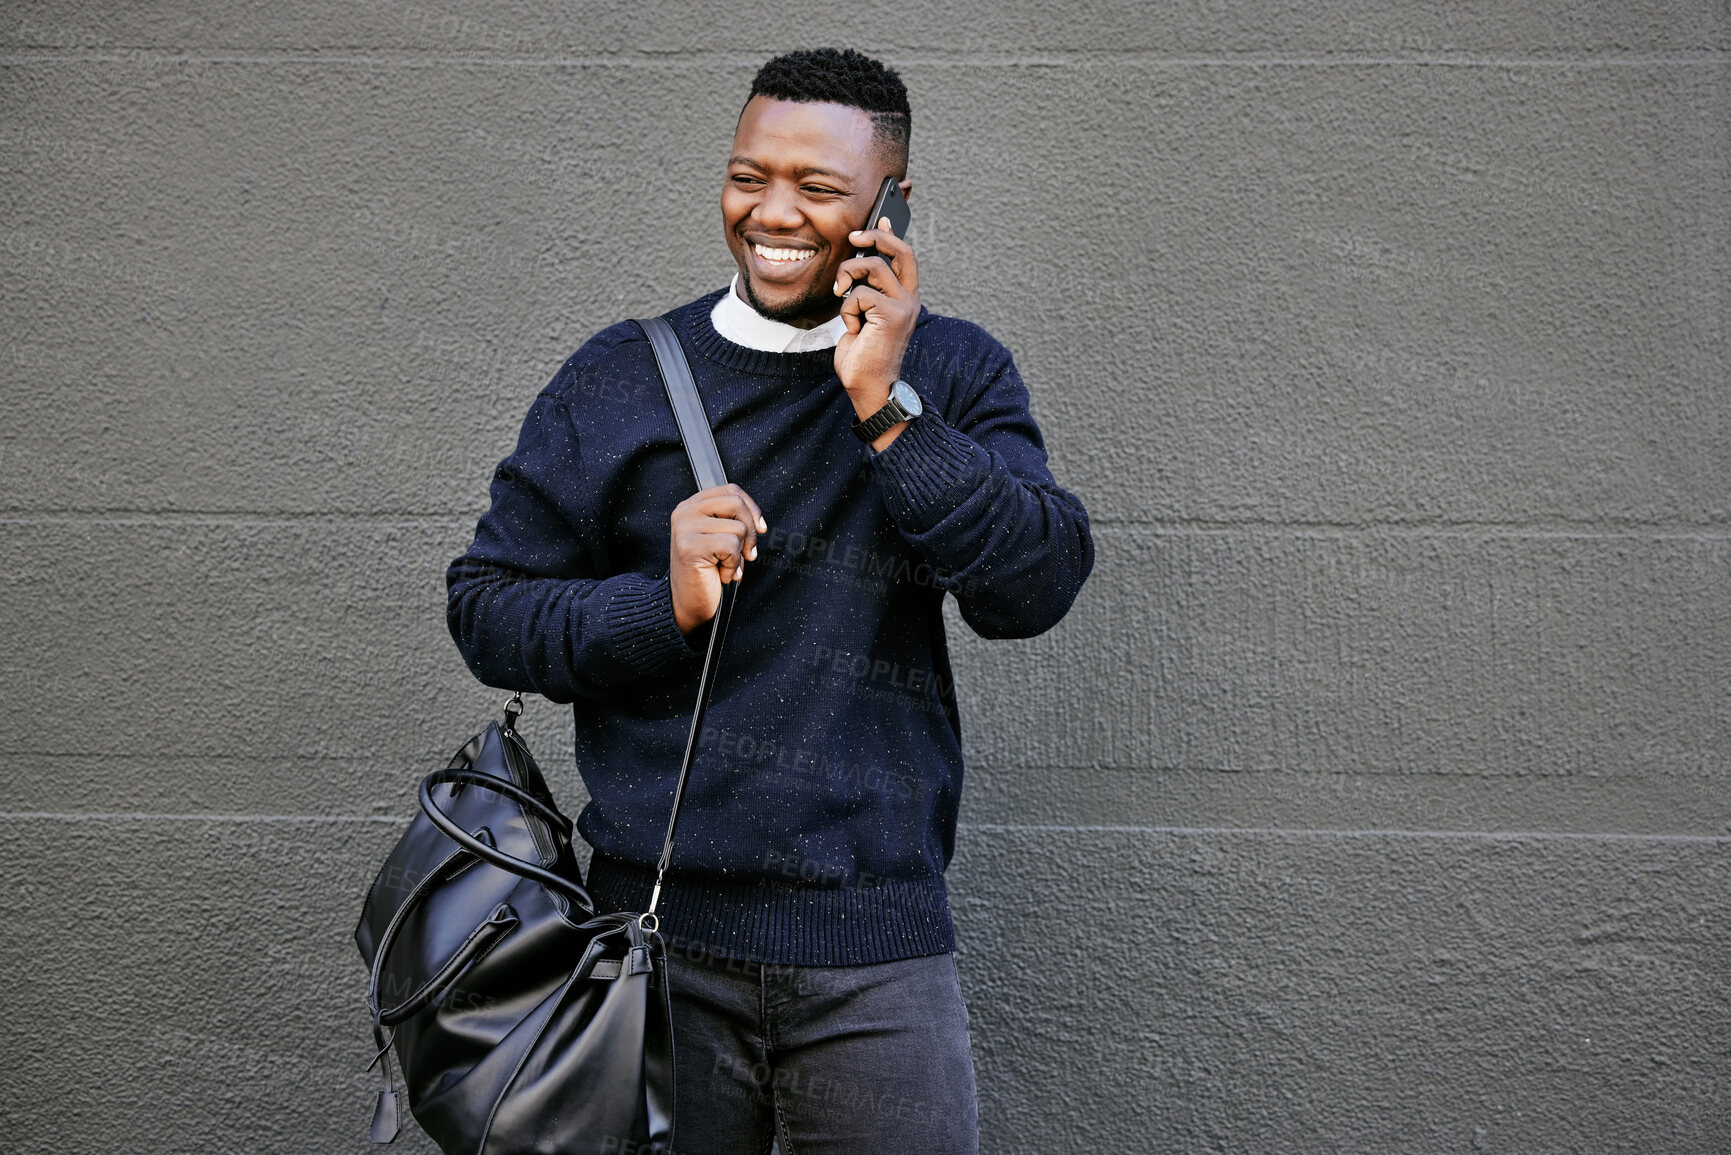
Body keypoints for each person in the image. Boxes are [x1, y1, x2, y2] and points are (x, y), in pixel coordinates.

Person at [446, 47, 1093, 1155]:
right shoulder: (620, 375)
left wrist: (887, 409)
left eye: (820, 188)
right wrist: (661, 602)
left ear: (893, 202)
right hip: (651, 946)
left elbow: (1032, 585)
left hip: (877, 949)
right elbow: (487, 607)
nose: (773, 212)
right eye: (750, 176)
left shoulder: (957, 371)